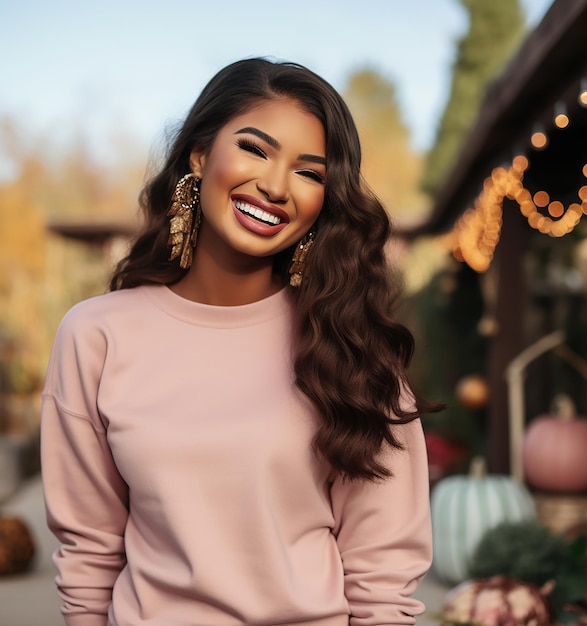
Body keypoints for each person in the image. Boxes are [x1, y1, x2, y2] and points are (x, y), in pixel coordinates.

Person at [41, 57, 438, 626]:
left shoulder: (352, 348)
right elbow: (89, 554)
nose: (276, 186)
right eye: (255, 149)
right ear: (200, 155)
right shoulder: (96, 336)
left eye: (309, 172)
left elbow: (382, 578)